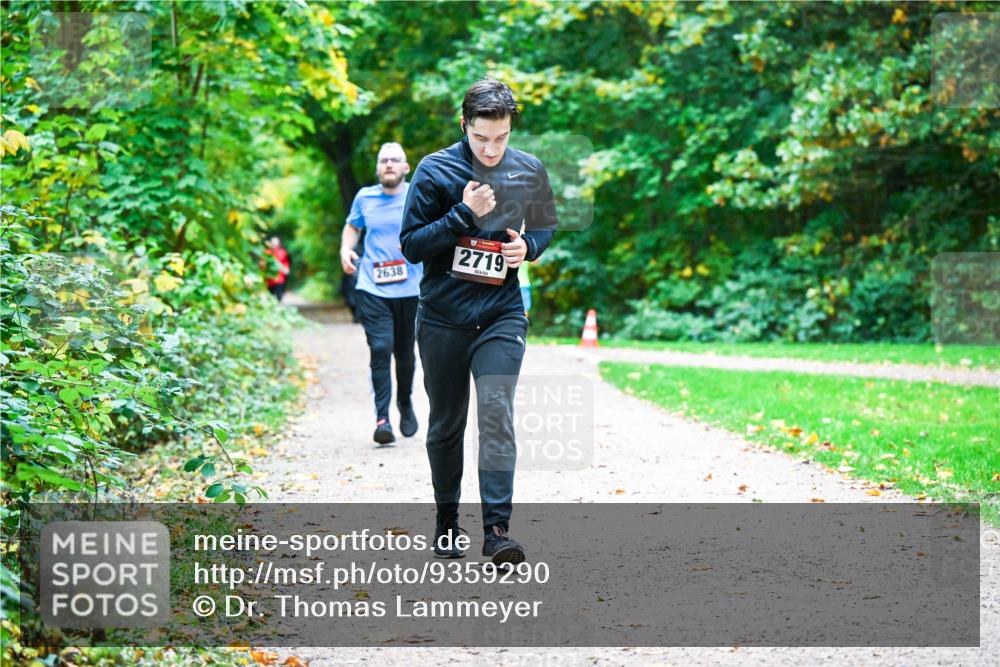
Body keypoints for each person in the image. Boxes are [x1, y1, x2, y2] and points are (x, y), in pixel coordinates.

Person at [400, 79, 557, 565]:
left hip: (501, 314)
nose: (492, 149)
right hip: (443, 318)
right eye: (482, 138)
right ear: (464, 125)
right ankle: (447, 524)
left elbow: (546, 224)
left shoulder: (529, 168)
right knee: (447, 425)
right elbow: (411, 246)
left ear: (511, 129)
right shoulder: (434, 170)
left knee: (496, 416)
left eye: (501, 138)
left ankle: (498, 532)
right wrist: (463, 215)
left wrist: (526, 248)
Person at [341, 142, 424, 445]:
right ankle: (382, 418)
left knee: (404, 354)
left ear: (406, 167)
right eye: (383, 160)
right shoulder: (365, 197)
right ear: (378, 168)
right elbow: (352, 226)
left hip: (411, 289)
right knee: (380, 348)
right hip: (372, 287)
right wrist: (345, 249)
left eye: (395, 160)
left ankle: (405, 402)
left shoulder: (418, 194)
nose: (389, 164)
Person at [264, 236, 291, 302]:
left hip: (280, 279)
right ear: (270, 243)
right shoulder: (266, 252)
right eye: (273, 243)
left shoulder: (283, 252)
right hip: (269, 279)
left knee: (279, 296)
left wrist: (286, 269)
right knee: (271, 296)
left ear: (279, 244)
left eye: (276, 244)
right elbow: (262, 264)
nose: (274, 245)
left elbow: (286, 263)